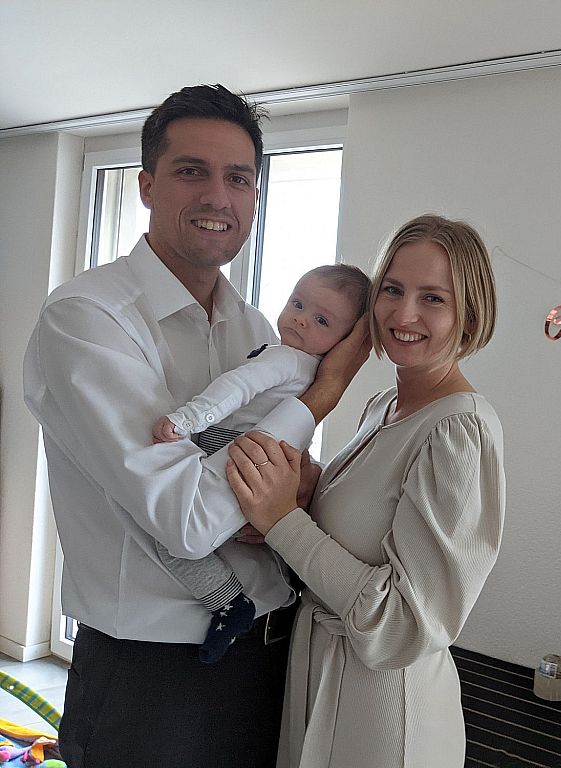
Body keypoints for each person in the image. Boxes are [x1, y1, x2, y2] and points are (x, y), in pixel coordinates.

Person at [23, 84, 368, 767]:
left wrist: (286, 495)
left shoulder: (258, 328)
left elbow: (285, 487)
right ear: (148, 185)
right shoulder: (88, 319)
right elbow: (186, 519)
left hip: (270, 649)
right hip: (152, 677)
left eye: (238, 178)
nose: (218, 196)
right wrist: (321, 398)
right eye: (192, 171)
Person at [227, 214, 505, 768]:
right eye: (392, 290)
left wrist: (285, 523)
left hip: (382, 710)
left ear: (469, 315)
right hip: (320, 677)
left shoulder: (458, 431)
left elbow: (405, 624)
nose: (404, 314)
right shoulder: (384, 407)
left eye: (433, 298)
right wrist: (307, 493)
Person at [152, 264, 370, 663]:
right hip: (261, 466)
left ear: (347, 342)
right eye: (298, 303)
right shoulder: (310, 374)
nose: (301, 319)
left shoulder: (285, 360)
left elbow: (234, 389)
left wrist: (186, 420)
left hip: (234, 455)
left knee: (172, 540)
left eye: (321, 320)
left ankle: (228, 603)